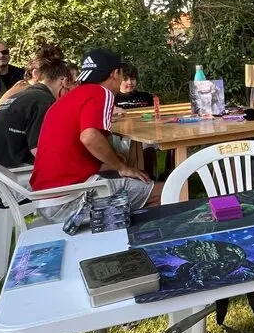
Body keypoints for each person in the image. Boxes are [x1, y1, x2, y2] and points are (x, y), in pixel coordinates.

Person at [30, 47, 162, 221]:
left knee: (133, 176)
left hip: (46, 197)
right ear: (115, 74)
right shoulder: (102, 93)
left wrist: (116, 164)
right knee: (169, 190)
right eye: (122, 75)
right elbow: (89, 137)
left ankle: (121, 233)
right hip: (69, 199)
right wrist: (122, 168)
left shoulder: (73, 96)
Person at [0, 51, 76, 168]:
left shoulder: (22, 95)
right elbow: (39, 150)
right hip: (18, 173)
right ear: (64, 81)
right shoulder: (44, 101)